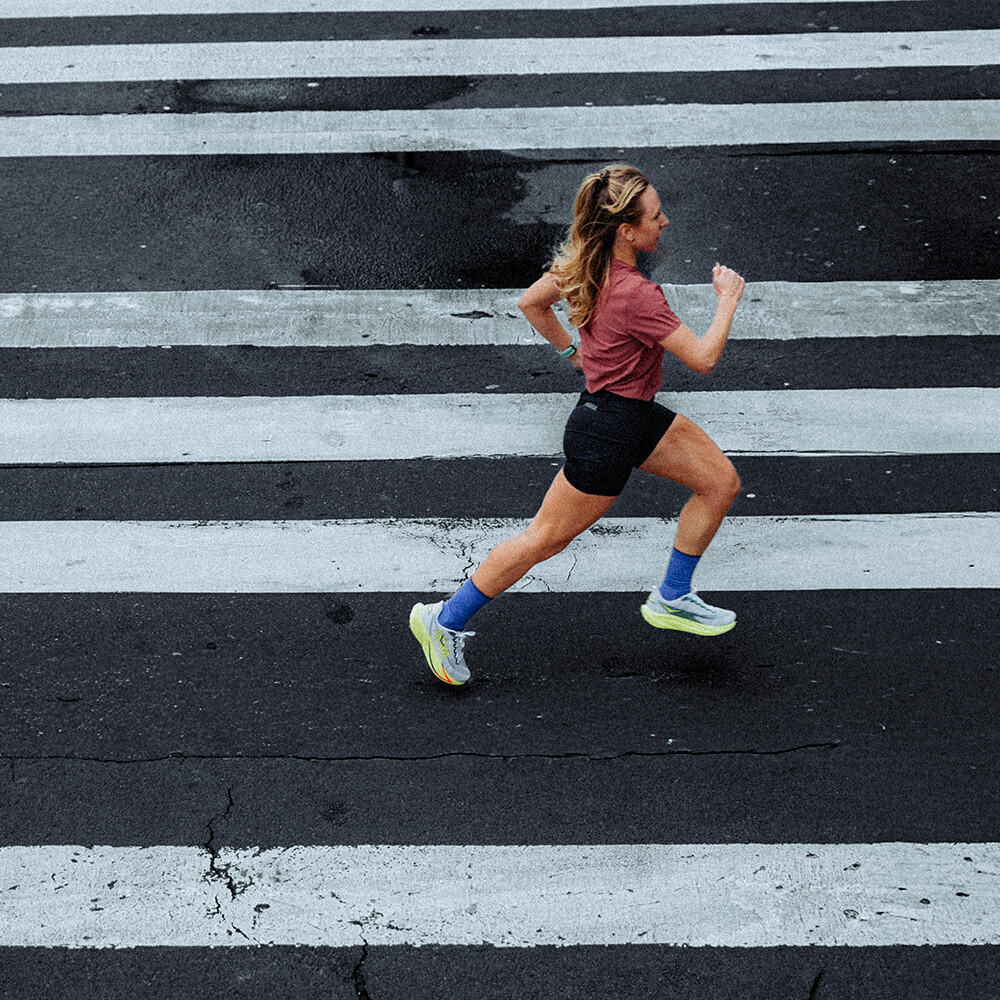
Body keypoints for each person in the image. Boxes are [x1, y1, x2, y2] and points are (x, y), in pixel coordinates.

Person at [410, 163, 745, 685]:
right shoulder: (637, 293)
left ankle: (673, 596)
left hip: (631, 415)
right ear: (626, 231)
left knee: (719, 483)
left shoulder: (583, 264)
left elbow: (531, 303)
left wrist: (572, 351)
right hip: (606, 432)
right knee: (544, 538)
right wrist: (727, 300)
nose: (666, 222)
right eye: (656, 216)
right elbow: (702, 357)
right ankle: (443, 620)